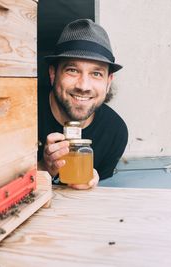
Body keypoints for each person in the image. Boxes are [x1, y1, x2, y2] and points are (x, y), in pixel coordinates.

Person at [38, 19, 128, 190]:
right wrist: (44, 167)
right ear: (52, 74)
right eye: (72, 70)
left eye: (96, 73)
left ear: (108, 82)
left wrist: (90, 183)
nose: (83, 86)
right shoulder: (23, 114)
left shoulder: (115, 132)